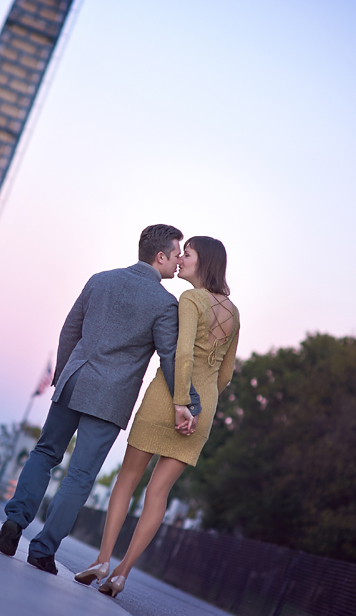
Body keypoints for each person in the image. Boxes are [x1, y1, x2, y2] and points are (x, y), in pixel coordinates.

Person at [0, 224, 201, 574]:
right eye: (176, 253)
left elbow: (69, 330)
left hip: (74, 379)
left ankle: (15, 521)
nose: (179, 259)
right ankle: (42, 550)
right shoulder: (165, 304)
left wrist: (62, 374)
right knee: (80, 475)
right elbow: (170, 357)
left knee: (44, 453)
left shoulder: (99, 279)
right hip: (110, 396)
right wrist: (189, 401)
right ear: (161, 256)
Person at [75, 236, 240, 598]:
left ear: (204, 262)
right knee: (159, 493)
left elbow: (180, 353)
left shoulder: (189, 299)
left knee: (128, 479)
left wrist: (181, 401)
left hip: (169, 398)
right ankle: (121, 573)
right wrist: (199, 407)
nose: (181, 259)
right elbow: (225, 374)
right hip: (204, 409)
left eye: (189, 254)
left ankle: (102, 559)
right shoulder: (233, 311)